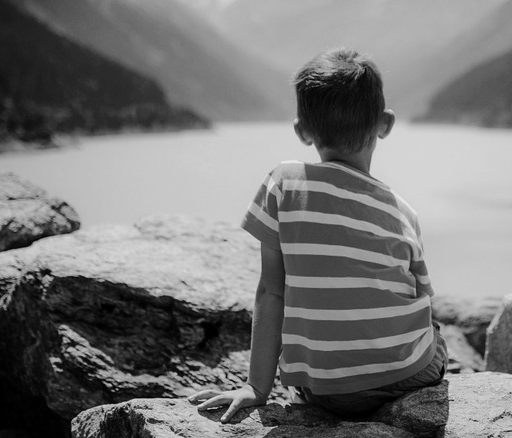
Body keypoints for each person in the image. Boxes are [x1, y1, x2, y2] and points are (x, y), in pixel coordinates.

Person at [188, 47, 447, 422]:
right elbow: (421, 291)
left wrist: (257, 388)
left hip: (323, 391)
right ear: (385, 124)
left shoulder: (283, 184)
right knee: (433, 326)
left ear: (302, 130)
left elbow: (270, 290)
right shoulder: (404, 212)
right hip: (405, 378)